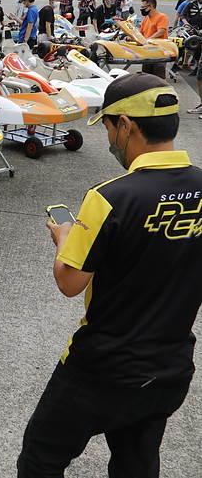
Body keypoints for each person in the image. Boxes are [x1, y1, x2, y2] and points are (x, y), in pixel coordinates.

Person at [17, 73, 202, 478]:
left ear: (126, 125)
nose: (109, 139)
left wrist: (65, 239)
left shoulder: (109, 197)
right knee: (137, 464)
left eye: (107, 128)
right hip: (169, 369)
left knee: (40, 458)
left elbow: (69, 283)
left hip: (100, 371)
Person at [138, 0, 171, 79]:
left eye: (143, 7)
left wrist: (147, 39)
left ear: (150, 7)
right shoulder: (146, 19)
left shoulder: (162, 17)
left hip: (159, 52)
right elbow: (141, 34)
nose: (141, 9)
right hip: (148, 51)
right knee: (146, 76)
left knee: (159, 77)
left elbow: (161, 32)